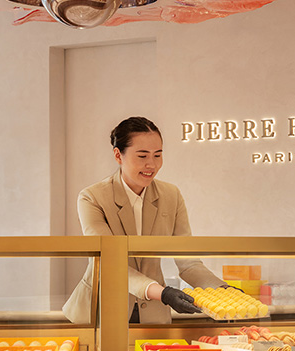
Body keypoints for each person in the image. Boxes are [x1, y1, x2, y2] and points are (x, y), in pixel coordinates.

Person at [62, 116, 225, 325]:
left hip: (153, 314)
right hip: (102, 310)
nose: (152, 164)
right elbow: (109, 262)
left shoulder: (171, 195)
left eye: (158, 155)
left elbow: (189, 262)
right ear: (118, 155)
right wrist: (163, 293)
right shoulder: (92, 197)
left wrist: (221, 289)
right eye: (142, 156)